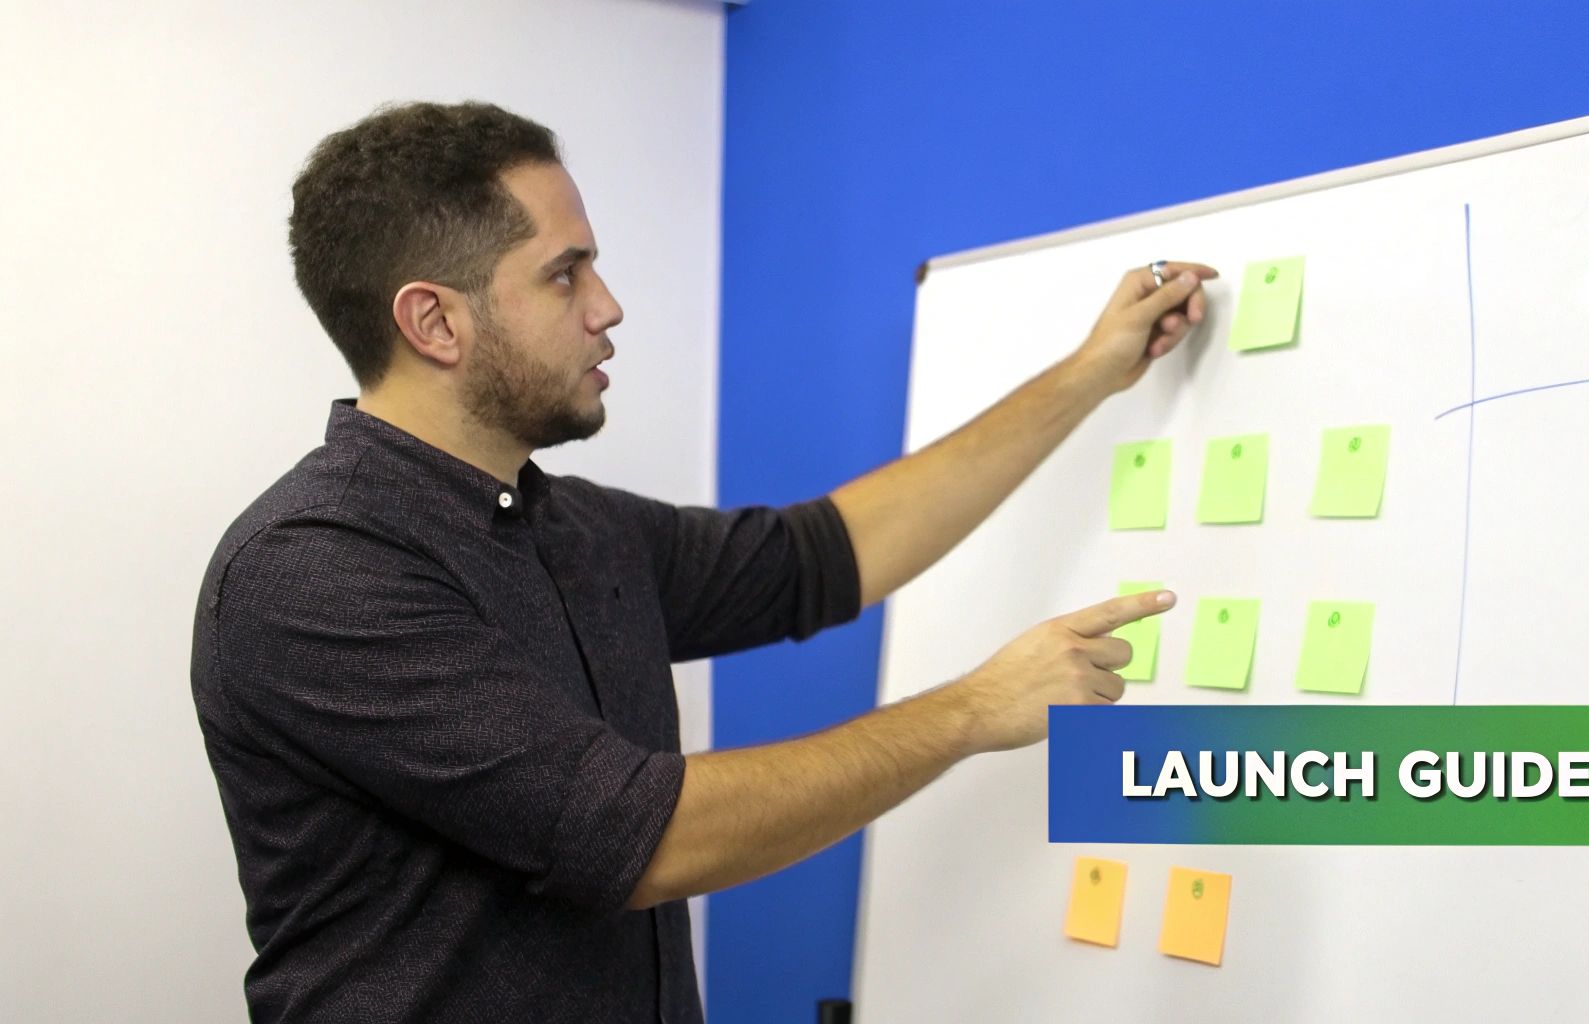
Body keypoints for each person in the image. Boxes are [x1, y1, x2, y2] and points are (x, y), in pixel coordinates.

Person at [190, 100, 1216, 1023]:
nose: (608, 305)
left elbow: (828, 552)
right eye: (564, 272)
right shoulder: (314, 571)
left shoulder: (572, 530)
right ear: (433, 321)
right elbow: (646, 839)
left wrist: (1088, 375)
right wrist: (969, 709)